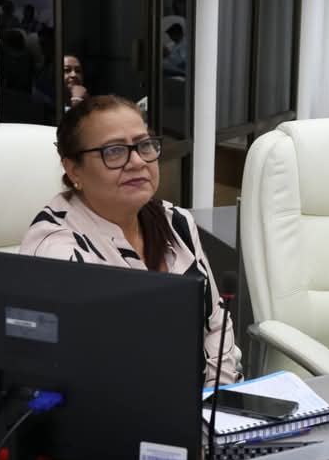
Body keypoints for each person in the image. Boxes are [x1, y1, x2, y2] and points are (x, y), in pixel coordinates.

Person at [20, 94, 239, 386]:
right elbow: (75, 373)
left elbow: (215, 322)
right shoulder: (59, 251)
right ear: (74, 169)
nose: (137, 162)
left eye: (144, 145)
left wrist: (218, 399)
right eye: (114, 152)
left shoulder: (176, 221)